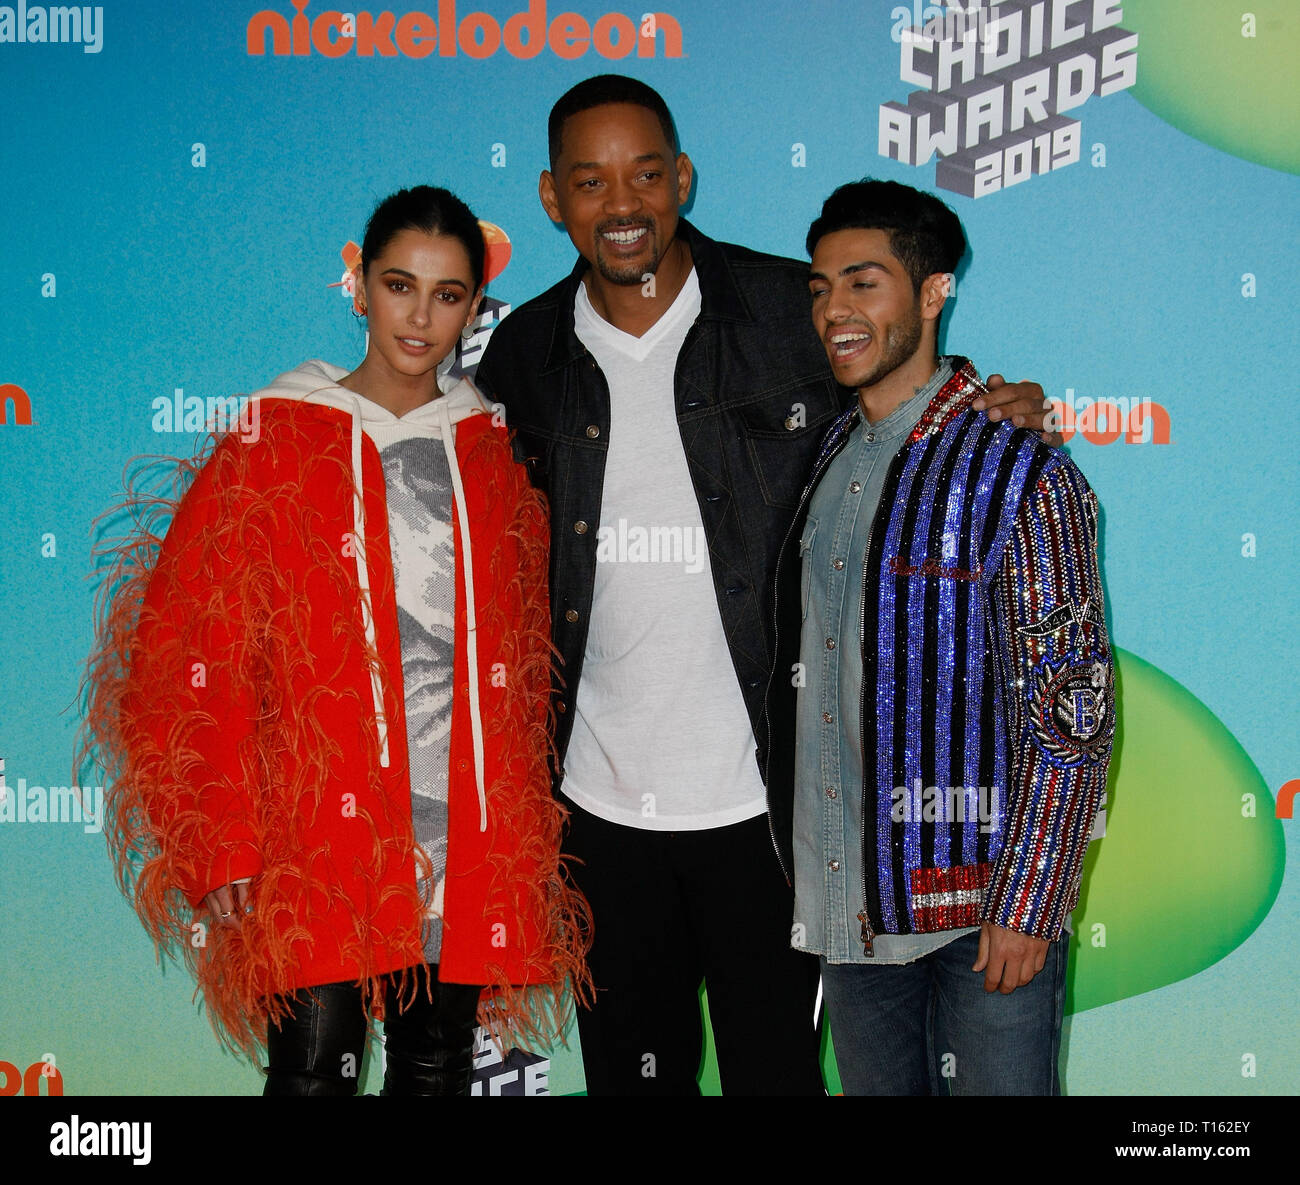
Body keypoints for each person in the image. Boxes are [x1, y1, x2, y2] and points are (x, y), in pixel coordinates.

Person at [474, 74, 1057, 1096]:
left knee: (777, 1079)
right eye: (591, 180)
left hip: (775, 812)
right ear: (550, 198)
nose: (623, 204)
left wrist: (989, 401)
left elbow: (899, 386)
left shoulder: (785, 310)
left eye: (646, 173)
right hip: (600, 815)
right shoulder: (524, 354)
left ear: (683, 180)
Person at [80, 185, 590, 1096]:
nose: (420, 316)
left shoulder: (489, 450)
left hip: (457, 830)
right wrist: (222, 835)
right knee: (312, 1072)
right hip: (314, 826)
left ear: (476, 306)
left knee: (435, 1072)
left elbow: (520, 664)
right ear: (358, 285)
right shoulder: (276, 434)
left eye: (447, 294)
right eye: (400, 285)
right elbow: (191, 638)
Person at [762, 178, 1114, 1095]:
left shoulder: (1019, 470)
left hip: (981, 921)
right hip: (851, 914)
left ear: (932, 293)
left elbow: (1070, 713)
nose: (835, 309)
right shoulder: (823, 458)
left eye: (864, 282)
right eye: (820, 286)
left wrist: (1032, 903)